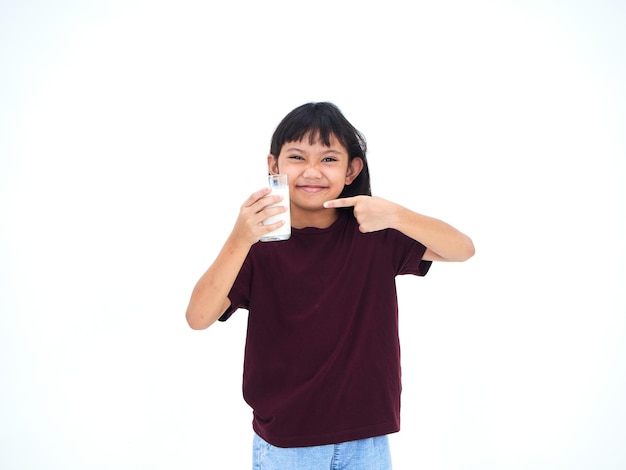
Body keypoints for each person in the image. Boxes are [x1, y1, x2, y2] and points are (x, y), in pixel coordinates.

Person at [186, 102, 475, 469]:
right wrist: (240, 238)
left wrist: (396, 214)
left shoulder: (374, 234)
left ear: (352, 169)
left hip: (367, 437)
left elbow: (463, 249)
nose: (311, 171)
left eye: (328, 159)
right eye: (296, 157)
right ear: (273, 166)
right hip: (287, 444)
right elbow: (198, 317)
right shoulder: (258, 246)